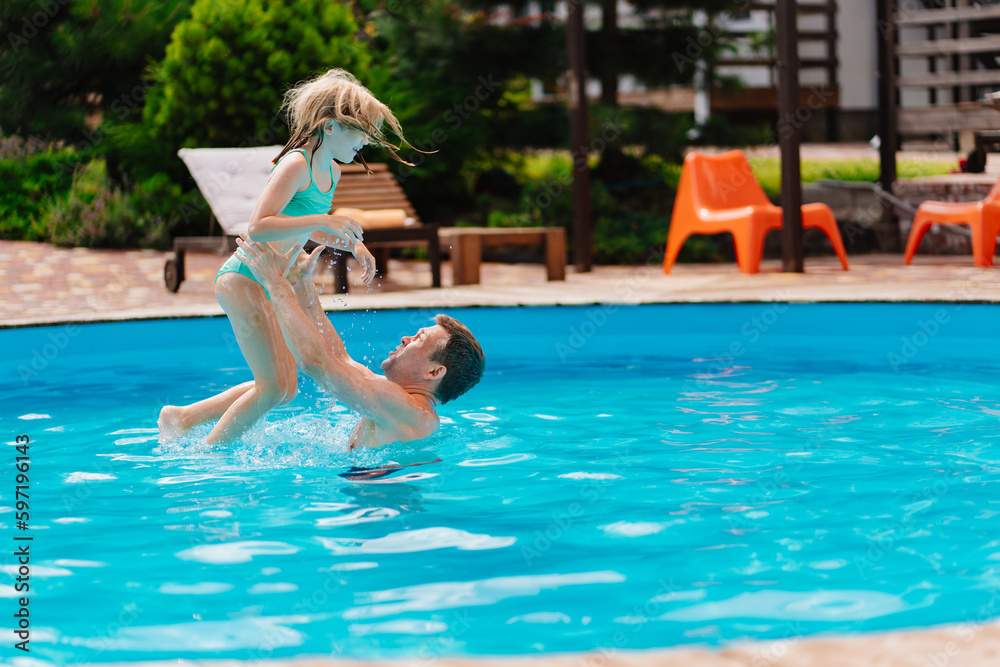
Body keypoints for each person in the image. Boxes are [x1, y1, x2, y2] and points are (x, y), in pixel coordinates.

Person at [159, 69, 411, 444]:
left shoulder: (332, 173)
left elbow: (304, 228)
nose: (366, 142)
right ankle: (208, 456)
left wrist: (353, 244)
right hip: (245, 276)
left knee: (284, 386)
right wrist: (324, 219)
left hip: (270, 279)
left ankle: (182, 418)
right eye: (361, 132)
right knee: (274, 387)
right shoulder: (297, 164)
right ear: (330, 127)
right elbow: (258, 225)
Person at [235, 236, 484, 448]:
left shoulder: (407, 409)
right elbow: (337, 358)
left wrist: (276, 285)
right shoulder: (398, 402)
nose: (406, 339)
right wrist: (301, 285)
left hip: (378, 499)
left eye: (420, 339)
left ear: (434, 371)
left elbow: (316, 364)